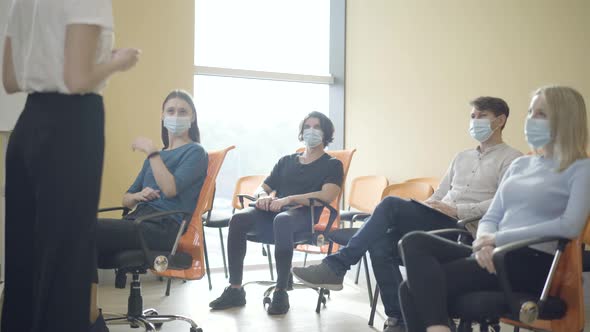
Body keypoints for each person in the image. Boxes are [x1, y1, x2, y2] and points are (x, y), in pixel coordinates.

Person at [292, 97, 522, 332]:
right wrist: (426, 206)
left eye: (481, 116)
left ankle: (337, 266)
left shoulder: (513, 160)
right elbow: (441, 194)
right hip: (438, 219)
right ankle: (398, 318)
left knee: (390, 204)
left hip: (466, 229)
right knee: (380, 241)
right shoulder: (461, 157)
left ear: (500, 120)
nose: (475, 121)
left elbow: (502, 203)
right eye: (472, 116)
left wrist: (457, 209)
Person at [398, 86, 590, 332]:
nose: (530, 119)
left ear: (564, 119)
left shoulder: (581, 168)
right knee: (414, 242)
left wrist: (496, 238)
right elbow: (492, 215)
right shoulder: (520, 164)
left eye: (540, 114)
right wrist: (483, 242)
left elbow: (570, 225)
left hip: (532, 262)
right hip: (495, 255)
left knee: (411, 288)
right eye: (530, 112)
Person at [2, 0, 139, 331]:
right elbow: (77, 80)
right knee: (66, 261)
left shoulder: (23, 4)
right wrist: (117, 61)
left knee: (24, 259)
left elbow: (10, 80)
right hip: (72, 127)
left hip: (28, 124)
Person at [92, 90, 208, 329]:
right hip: (138, 221)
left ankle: (90, 316)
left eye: (183, 111)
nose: (176, 116)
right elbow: (126, 199)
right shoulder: (155, 158)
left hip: (163, 228)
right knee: (81, 235)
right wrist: (138, 195)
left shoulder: (195, 152)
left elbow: (170, 189)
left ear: (193, 118)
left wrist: (153, 152)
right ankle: (85, 312)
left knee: (87, 228)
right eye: (171, 111)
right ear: (163, 117)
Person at [209, 111, 344, 315]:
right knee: (238, 219)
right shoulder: (286, 161)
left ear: (326, 134)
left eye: (317, 127)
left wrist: (289, 199)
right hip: (273, 213)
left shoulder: (332, 164)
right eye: (307, 126)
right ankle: (235, 289)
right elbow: (262, 187)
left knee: (282, 220)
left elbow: (328, 194)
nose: (311, 131)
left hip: (302, 217)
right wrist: (263, 196)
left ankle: (281, 292)